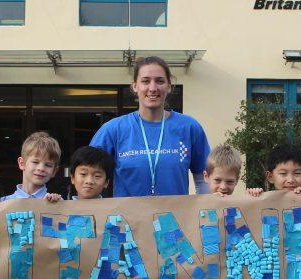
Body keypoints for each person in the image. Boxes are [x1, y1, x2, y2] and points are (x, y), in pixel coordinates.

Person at [90, 56, 211, 197]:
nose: (153, 88)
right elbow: (89, 176)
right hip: (127, 212)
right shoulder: (113, 130)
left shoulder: (189, 127)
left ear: (169, 86)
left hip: (175, 212)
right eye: (145, 81)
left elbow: (204, 179)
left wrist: (205, 208)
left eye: (160, 81)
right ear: (135, 86)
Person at [0, 131, 63, 203]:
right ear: (22, 163)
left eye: (48, 165)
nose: (41, 168)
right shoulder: (2, 202)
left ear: (54, 171)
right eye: (35, 162)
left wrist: (54, 207)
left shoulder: (58, 203)